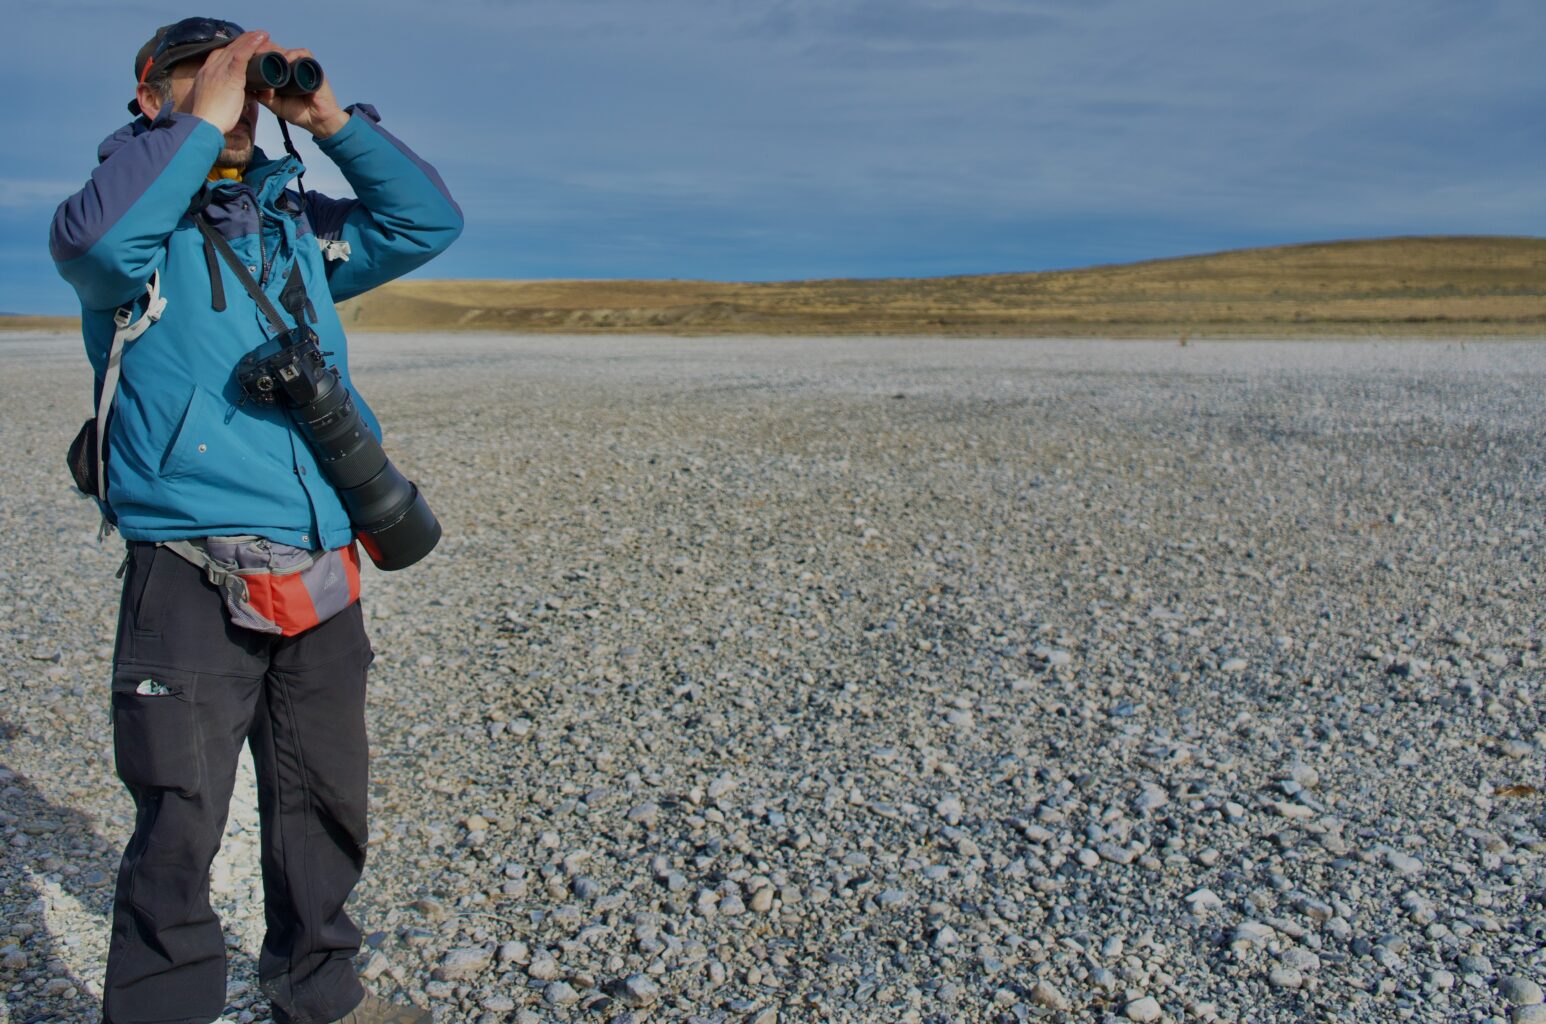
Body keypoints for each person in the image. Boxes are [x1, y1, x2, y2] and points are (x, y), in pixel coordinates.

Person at [50, 16, 463, 1024]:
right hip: (188, 567)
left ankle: (319, 994)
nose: (231, 96)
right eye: (201, 79)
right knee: (180, 818)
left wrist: (327, 119)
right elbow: (95, 246)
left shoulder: (293, 224)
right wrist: (198, 123)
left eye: (241, 77)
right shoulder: (127, 228)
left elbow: (423, 224)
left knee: (325, 803)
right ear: (151, 101)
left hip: (320, 556)